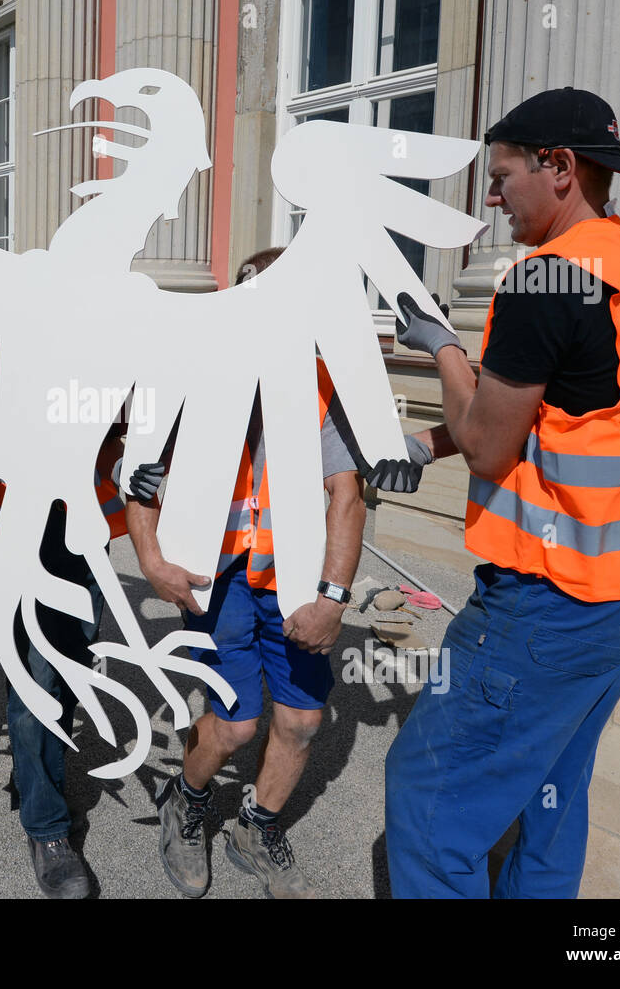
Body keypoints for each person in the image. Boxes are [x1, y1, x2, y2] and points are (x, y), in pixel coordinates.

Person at [375, 87, 620, 898]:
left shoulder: (545, 281)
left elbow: (489, 446)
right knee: (552, 791)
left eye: (503, 177)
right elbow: (558, 405)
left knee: (430, 802)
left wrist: (441, 346)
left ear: (560, 167)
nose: (492, 197)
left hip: (550, 600)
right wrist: (425, 442)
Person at [126, 248, 367, 899]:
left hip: (294, 578)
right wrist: (151, 561)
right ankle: (187, 797)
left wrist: (332, 600)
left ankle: (255, 828)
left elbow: (346, 493)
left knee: (302, 722)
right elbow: (136, 477)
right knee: (235, 724)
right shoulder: (189, 376)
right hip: (219, 577)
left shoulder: (319, 384)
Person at [0, 358, 127, 898]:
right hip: (20, 523)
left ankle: (34, 776)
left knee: (70, 667)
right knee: (35, 679)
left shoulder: (109, 337)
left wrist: (135, 466)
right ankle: (47, 828)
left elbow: (123, 432)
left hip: (86, 527)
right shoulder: (1, 337)